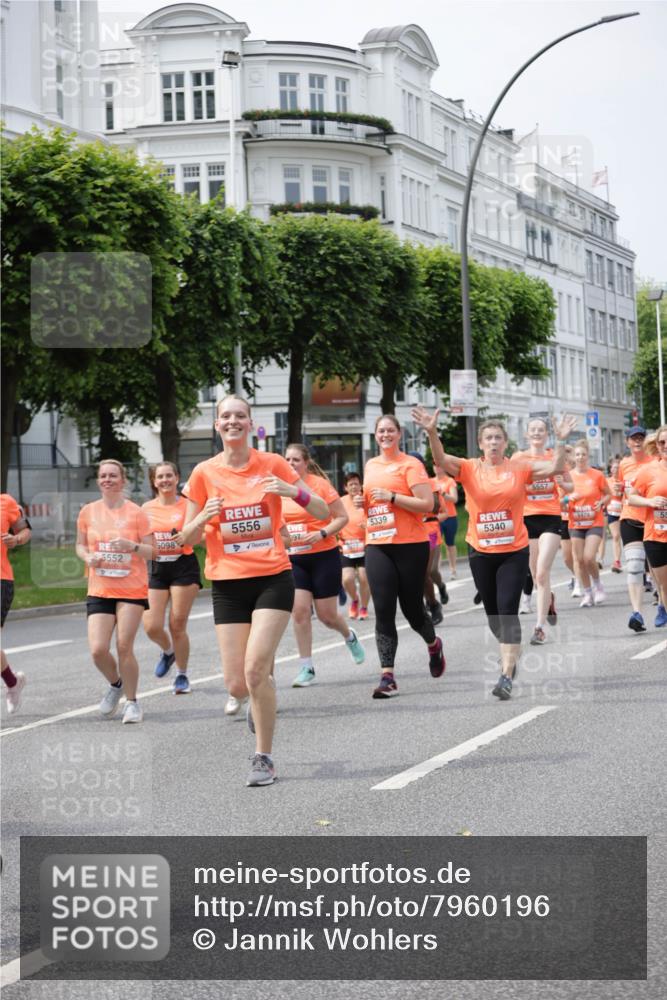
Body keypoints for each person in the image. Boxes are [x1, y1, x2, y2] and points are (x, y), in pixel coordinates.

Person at [180, 396, 329, 787]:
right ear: (217, 426)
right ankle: (260, 688)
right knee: (236, 684)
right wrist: (203, 517)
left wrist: (290, 490)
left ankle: (263, 757)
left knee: (254, 669)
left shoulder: (273, 464)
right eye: (226, 416)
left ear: (250, 424)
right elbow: (184, 538)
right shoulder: (202, 473)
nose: (233, 421)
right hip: (227, 584)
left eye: (240, 416)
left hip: (272, 578)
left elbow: (323, 512)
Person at [413, 406, 576, 700]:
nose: (493, 443)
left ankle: (505, 675)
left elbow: (554, 467)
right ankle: (511, 651)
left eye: (498, 438)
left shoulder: (519, 467)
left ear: (505, 443)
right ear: (480, 444)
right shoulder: (468, 468)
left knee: (508, 612)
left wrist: (562, 440)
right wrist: (431, 431)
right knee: (494, 618)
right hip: (480, 552)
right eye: (488, 438)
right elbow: (439, 459)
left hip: (513, 551)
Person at [355, 414, 445, 699]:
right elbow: (374, 505)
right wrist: (363, 503)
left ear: (399, 434)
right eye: (381, 431)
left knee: (412, 610)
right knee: (383, 609)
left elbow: (427, 505)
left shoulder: (411, 465)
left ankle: (433, 644)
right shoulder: (370, 465)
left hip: (410, 544)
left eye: (390, 430)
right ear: (375, 435)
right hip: (378, 544)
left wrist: (393, 496)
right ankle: (387, 676)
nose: (385, 435)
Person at [76, 460, 154, 725]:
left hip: (131, 588)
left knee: (124, 646)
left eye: (113, 475)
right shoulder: (88, 512)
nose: (108, 479)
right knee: (98, 650)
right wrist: (87, 557)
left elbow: (153, 551)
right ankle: (116, 684)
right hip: (100, 587)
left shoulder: (136, 513)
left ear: (123, 481)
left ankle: (132, 703)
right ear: (99, 481)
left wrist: (131, 546)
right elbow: (79, 545)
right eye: (103, 476)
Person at [281, 443, 365, 687]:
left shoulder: (319, 485)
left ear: (306, 462)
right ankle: (306, 667)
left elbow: (342, 517)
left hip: (323, 556)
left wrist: (322, 533)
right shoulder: (280, 489)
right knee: (299, 611)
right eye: (287, 459)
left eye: (296, 459)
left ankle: (349, 636)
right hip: (294, 558)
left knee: (327, 616)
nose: (291, 464)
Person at [511, 417, 573, 645]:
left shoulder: (553, 456)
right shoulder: (518, 458)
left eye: (541, 430)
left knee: (541, 572)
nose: (537, 433)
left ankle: (539, 628)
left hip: (550, 517)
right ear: (527, 434)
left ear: (547, 434)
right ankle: (548, 600)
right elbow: (509, 482)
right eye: (533, 430)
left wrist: (562, 483)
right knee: (535, 574)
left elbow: (570, 485)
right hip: (526, 518)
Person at [142, 462, 202, 695]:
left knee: (177, 624)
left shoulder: (189, 505)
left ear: (177, 478)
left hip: (183, 567)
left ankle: (182, 674)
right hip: (156, 567)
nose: (165, 480)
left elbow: (199, 536)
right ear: (154, 482)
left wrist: (185, 537)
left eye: (169, 475)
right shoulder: (146, 508)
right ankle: (168, 651)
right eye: (160, 477)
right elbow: (144, 541)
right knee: (151, 626)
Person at [627, 426, 667, 628]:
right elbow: (631, 497)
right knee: (664, 585)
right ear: (657, 445)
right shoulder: (648, 470)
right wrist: (650, 503)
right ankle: (663, 607)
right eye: (662, 442)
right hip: (656, 535)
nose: (666, 446)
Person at [564, 440, 611, 607]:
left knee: (589, 557)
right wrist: (568, 498)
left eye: (583, 454)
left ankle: (598, 586)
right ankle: (587, 593)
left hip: (594, 521)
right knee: (579, 560)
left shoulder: (597, 475)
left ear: (587, 455)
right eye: (577, 454)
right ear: (573, 457)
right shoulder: (568, 476)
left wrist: (602, 503)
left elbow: (608, 494)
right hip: (575, 523)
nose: (580, 457)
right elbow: (559, 500)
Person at [619, 427, 655, 632]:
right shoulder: (624, 464)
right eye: (633, 439)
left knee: (657, 572)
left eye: (641, 438)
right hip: (630, 518)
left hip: (653, 521)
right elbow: (621, 490)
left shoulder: (655, 463)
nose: (637, 441)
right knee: (634, 566)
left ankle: (661, 605)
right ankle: (637, 613)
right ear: (628, 442)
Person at [1, 494, 31, 714]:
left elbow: (25, 531)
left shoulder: (6, 502)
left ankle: (12, 683)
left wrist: (16, 539)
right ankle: (12, 682)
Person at [338, 472, 370, 621]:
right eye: (350, 484)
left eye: (356, 484)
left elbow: (375, 519)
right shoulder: (341, 502)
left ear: (361, 486)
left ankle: (364, 607)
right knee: (347, 579)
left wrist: (368, 526)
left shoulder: (366, 500)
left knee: (364, 577)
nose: (354, 487)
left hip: (364, 545)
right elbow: (335, 520)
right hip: (347, 546)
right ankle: (355, 600)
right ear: (345, 487)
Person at [436, 464, 459, 580]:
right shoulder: (431, 481)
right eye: (435, 465)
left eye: (439, 465)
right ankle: (436, 571)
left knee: (450, 544)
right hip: (437, 517)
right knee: (436, 545)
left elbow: (454, 499)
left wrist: (443, 494)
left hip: (450, 516)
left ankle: (453, 569)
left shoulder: (450, 481)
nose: (437, 467)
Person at [606, 458, 624, 573]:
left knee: (625, 537)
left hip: (624, 512)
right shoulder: (607, 481)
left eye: (618, 467)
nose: (615, 469)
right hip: (612, 512)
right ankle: (617, 561)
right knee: (616, 536)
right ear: (611, 469)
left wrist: (622, 492)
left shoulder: (624, 482)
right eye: (614, 467)